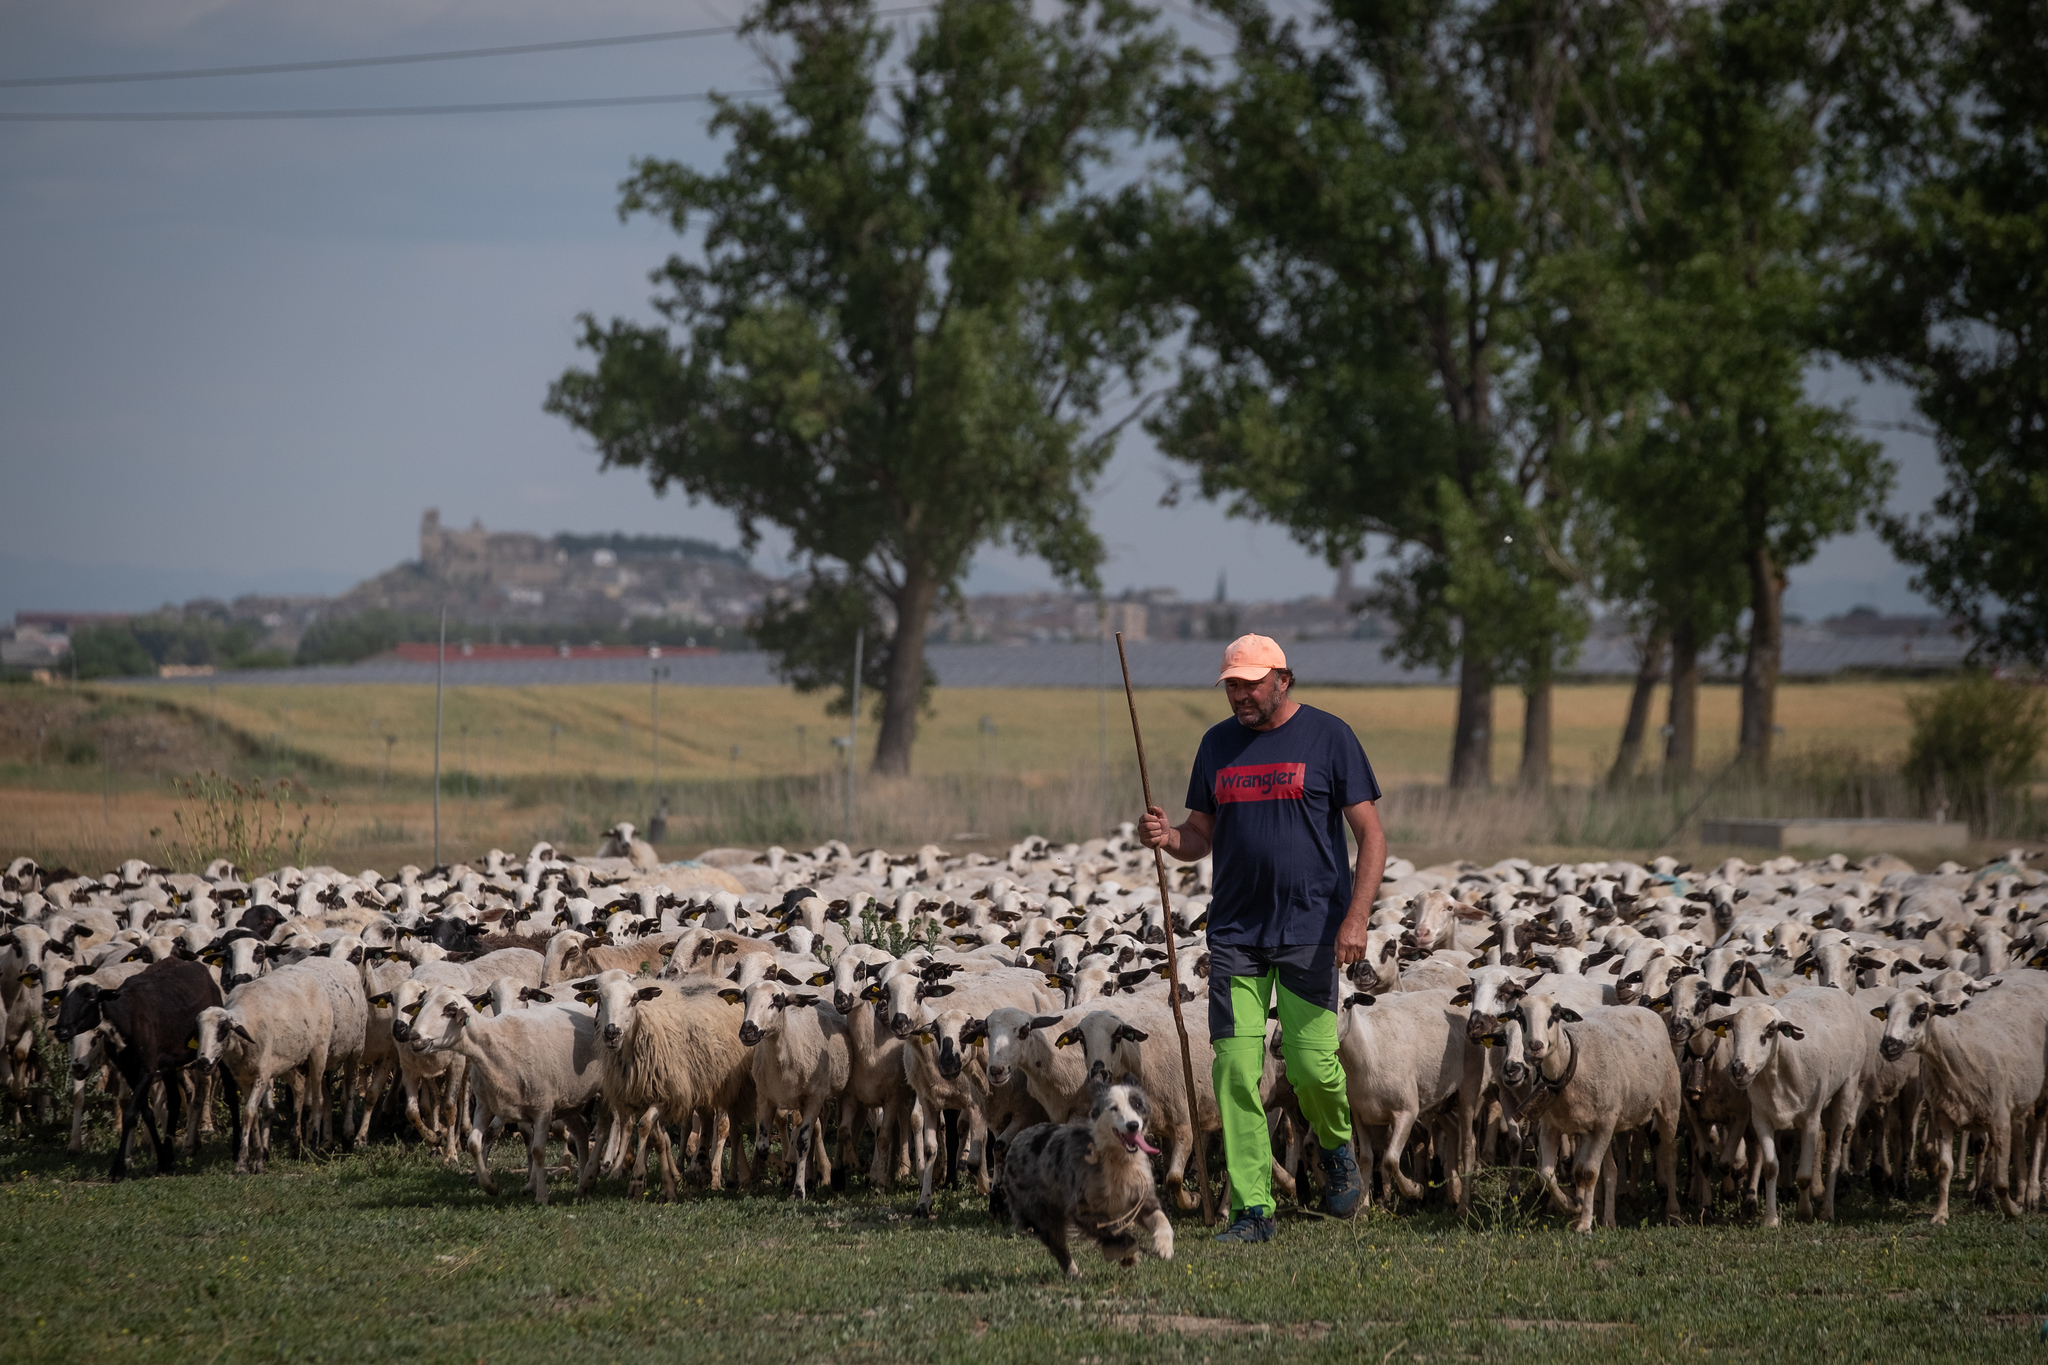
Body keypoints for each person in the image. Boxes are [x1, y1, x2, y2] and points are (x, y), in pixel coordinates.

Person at [1138, 633, 1386, 1242]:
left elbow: (1371, 838)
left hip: (1313, 929)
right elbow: (1201, 838)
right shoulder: (1216, 746)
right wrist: (1167, 838)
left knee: (1310, 1065)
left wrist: (1355, 920)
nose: (1240, 695)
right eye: (1231, 685)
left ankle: (1333, 1147)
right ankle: (1253, 1210)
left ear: (1283, 679)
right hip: (1237, 933)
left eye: (1250, 683)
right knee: (1234, 1069)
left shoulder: (1331, 737)